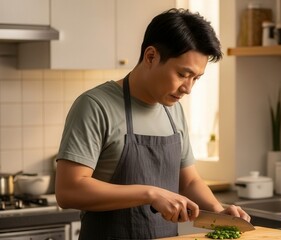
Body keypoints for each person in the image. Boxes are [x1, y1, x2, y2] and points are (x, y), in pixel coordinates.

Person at [55, 8, 250, 239]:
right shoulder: (95, 106)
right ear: (150, 56)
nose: (188, 88)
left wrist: (219, 211)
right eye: (182, 74)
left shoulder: (173, 111)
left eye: (196, 78)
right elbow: (68, 191)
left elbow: (188, 181)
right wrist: (150, 194)